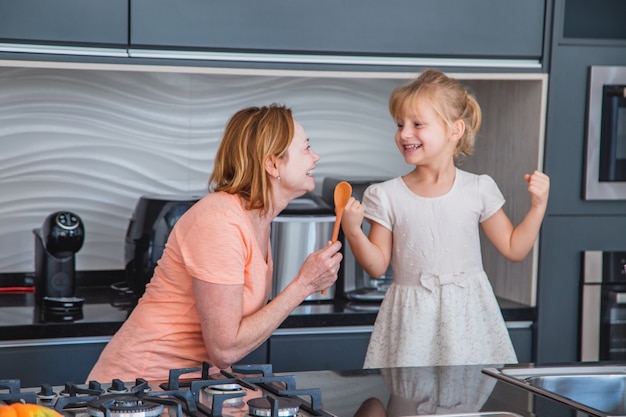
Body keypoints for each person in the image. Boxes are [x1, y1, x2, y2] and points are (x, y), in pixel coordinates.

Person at [87, 104, 343, 381]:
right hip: (140, 387)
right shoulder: (220, 221)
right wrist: (304, 285)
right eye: (306, 148)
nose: (315, 157)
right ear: (272, 164)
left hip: (187, 387)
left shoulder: (256, 218)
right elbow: (225, 348)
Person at [341, 69, 550, 368]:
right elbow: (376, 266)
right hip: (412, 321)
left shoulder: (478, 188)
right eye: (400, 124)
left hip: (470, 318)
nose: (404, 133)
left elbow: (514, 248)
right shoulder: (385, 194)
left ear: (455, 130)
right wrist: (353, 231)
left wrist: (538, 207)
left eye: (417, 124)